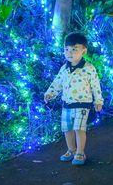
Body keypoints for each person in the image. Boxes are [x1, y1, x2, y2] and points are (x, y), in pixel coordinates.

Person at [44, 33, 104, 165]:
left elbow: (95, 85)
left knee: (79, 129)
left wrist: (98, 101)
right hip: (67, 104)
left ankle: (80, 152)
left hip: (82, 105)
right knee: (67, 129)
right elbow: (57, 82)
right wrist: (50, 93)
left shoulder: (88, 68)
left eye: (74, 49)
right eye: (66, 49)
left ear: (84, 51)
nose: (69, 53)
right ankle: (71, 149)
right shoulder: (64, 68)